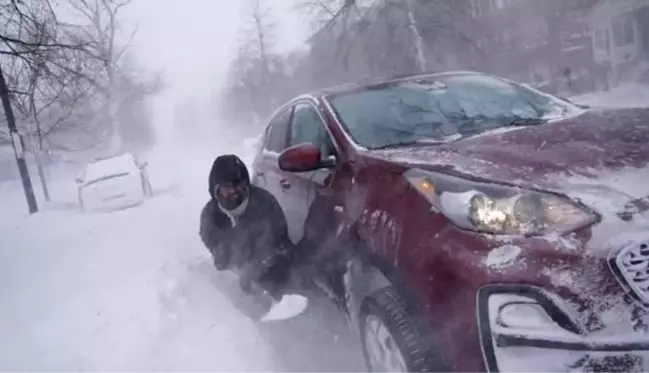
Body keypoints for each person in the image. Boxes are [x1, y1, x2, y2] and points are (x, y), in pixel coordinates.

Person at [199, 154, 307, 321]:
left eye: (239, 186)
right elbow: (216, 249)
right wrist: (232, 265)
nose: (234, 192)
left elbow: (277, 242)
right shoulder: (210, 216)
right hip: (239, 276)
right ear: (215, 190)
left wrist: (254, 270)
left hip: (276, 271)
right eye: (227, 188)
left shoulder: (264, 203)